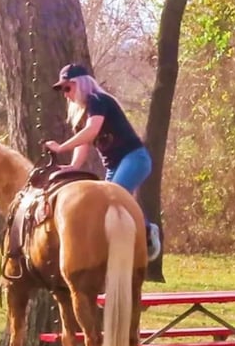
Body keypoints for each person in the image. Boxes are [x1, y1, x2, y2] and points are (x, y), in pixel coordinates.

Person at [44, 63, 161, 261]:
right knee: (105, 203)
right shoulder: (82, 112)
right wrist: (74, 166)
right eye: (62, 90)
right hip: (114, 165)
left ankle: (148, 230)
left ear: (80, 84)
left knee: (113, 196)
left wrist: (61, 147)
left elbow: (92, 131)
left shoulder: (98, 100)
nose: (65, 94)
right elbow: (84, 143)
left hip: (134, 158)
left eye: (67, 88)